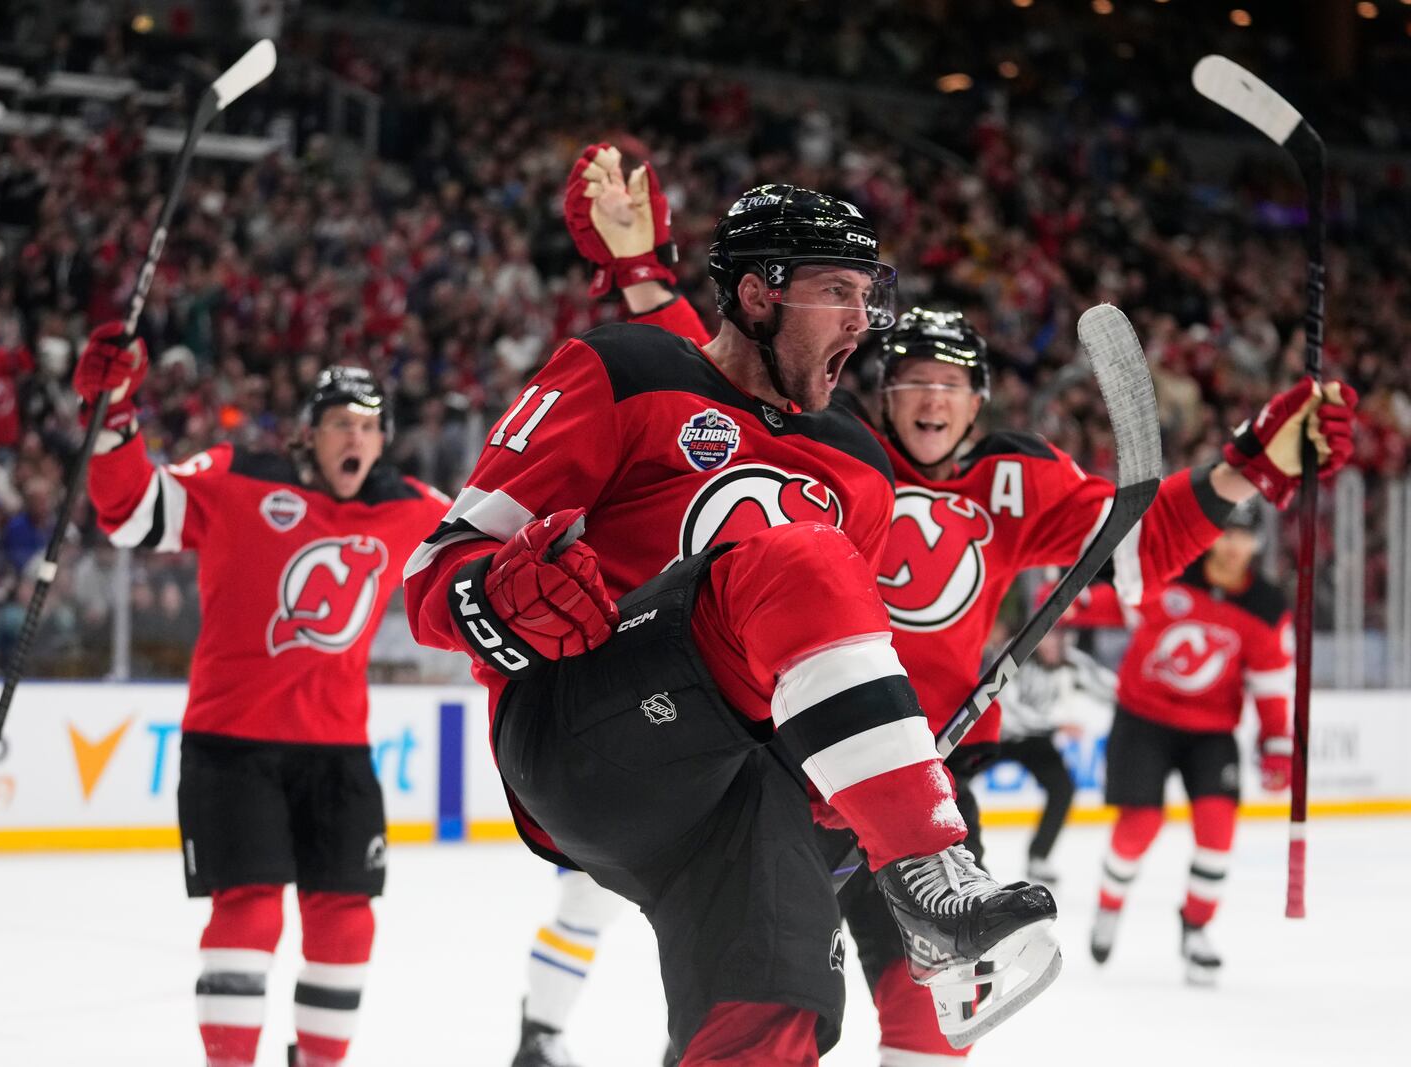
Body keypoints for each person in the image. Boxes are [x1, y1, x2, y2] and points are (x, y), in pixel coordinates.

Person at [528, 144, 1360, 1063]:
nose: (929, 397)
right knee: (755, 998)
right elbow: (714, 379)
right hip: (777, 761)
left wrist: (1252, 463)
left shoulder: (1018, 480)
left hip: (925, 770)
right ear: (882, 391)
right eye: (912, 379)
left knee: (928, 1014)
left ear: (978, 400)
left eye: (950, 384)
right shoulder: (832, 451)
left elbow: (1143, 539)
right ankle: (543, 1027)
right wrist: (643, 273)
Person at [405, 181, 1063, 1067]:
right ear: (758, 294)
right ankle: (928, 871)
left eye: (870, 295)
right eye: (838, 291)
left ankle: (908, 869)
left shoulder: (861, 467)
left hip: (741, 788)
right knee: (800, 557)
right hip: (587, 729)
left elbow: (825, 656)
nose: (861, 320)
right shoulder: (624, 372)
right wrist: (500, 595)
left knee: (769, 1025)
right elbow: (431, 577)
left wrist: (849, 776)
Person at [73, 325, 449, 1067]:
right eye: (341, 422)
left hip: (339, 751)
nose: (356, 437)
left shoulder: (414, 509)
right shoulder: (236, 477)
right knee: (246, 913)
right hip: (231, 744)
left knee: (346, 923)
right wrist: (114, 413)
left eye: (369, 426)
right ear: (309, 432)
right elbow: (131, 511)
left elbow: (495, 550)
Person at [1086, 502, 1294, 986]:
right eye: (1228, 534)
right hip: (1144, 718)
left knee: (1217, 831)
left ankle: (1197, 929)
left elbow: (1269, 683)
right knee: (1139, 826)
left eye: (1245, 537)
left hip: (1211, 731)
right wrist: (1072, 604)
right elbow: (1119, 600)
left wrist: (1277, 742)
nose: (1234, 546)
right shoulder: (1173, 570)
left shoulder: (1265, 608)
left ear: (1257, 544)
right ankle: (1109, 905)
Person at [992, 625, 1118, 887]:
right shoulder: (1013, 656)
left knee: (1063, 788)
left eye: (1060, 638)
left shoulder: (1072, 660)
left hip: (1036, 741)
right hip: (995, 736)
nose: (1054, 645)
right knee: (956, 784)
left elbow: (1109, 688)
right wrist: (1057, 725)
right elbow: (1007, 709)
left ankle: (1039, 857)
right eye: (1047, 639)